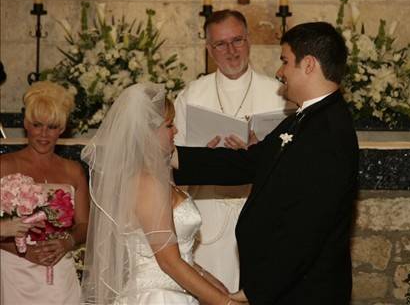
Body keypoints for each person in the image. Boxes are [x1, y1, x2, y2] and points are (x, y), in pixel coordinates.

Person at [173, 22, 359, 304]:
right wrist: (172, 157)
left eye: (285, 61)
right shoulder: (306, 118)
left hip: (306, 291)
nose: (279, 72)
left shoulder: (329, 131)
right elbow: (248, 163)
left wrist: (258, 289)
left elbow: (307, 229)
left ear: (308, 65)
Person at [80, 83, 242, 305]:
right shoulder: (147, 183)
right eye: (169, 125)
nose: (175, 131)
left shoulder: (157, 177)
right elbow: (168, 262)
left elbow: (178, 254)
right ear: (147, 134)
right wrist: (226, 304)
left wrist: (218, 288)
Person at [174, 9, 292, 292]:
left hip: (259, 212)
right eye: (220, 44)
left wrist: (258, 154)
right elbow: (169, 161)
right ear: (208, 49)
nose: (231, 51)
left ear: (249, 41)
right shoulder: (192, 95)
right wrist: (202, 155)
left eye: (237, 40)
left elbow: (294, 165)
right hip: (207, 218)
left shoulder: (280, 95)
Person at [0, 81, 90, 304]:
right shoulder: (4, 165)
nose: (43, 134)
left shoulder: (74, 170)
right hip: (14, 270)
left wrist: (67, 242)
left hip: (60, 271)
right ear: (26, 124)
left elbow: (85, 225)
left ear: (62, 128)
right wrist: (21, 251)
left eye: (51, 127)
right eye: (37, 124)